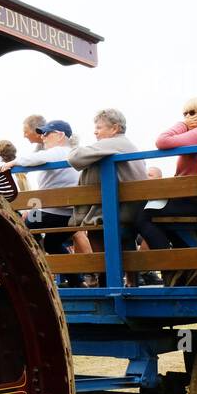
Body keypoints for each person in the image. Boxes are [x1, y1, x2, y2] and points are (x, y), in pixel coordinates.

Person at [134, 98, 197, 250]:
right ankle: (183, 265)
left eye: (192, 113)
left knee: (144, 217)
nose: (187, 118)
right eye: (185, 114)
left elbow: (162, 141)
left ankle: (171, 265)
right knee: (153, 214)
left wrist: (183, 125)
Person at [67, 109, 147, 281]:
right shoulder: (126, 145)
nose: (95, 131)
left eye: (99, 127)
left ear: (115, 128)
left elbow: (74, 158)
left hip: (120, 212)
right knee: (119, 236)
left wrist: (78, 149)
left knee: (96, 229)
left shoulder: (114, 143)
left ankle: (106, 281)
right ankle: (131, 282)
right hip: (130, 208)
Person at [0, 120, 80, 260]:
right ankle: (77, 280)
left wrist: (14, 162)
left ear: (60, 135)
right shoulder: (74, 153)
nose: (42, 137)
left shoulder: (58, 151)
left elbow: (38, 157)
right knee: (51, 244)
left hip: (51, 213)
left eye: (46, 133)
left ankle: (33, 265)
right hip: (71, 215)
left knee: (21, 229)